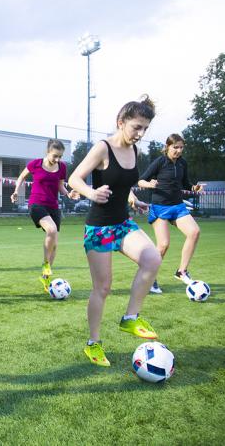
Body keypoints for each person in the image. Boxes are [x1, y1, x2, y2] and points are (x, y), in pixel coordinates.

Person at [68, 95, 162, 367]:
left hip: (123, 223)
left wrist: (134, 200)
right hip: (99, 228)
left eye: (144, 128)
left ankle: (130, 317)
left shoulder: (134, 150)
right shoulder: (102, 148)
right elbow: (75, 177)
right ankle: (93, 344)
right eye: (136, 127)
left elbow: (123, 184)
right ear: (121, 122)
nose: (140, 134)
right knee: (103, 288)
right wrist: (90, 192)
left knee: (152, 259)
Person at [138, 133, 204, 294]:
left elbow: (186, 183)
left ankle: (181, 271)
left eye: (181, 147)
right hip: (160, 207)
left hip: (178, 206)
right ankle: (150, 278)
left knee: (194, 232)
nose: (179, 150)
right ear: (168, 146)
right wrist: (150, 184)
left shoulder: (182, 163)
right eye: (175, 147)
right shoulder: (160, 162)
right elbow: (141, 180)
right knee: (163, 245)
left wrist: (194, 188)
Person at [11, 139, 80, 292]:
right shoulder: (35, 164)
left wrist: (68, 194)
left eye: (60, 157)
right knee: (51, 230)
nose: (57, 159)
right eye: (55, 156)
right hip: (36, 204)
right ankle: (45, 263)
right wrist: (16, 191)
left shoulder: (62, 167)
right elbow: (21, 177)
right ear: (48, 152)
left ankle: (45, 279)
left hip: (53, 206)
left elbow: (60, 186)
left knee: (54, 244)